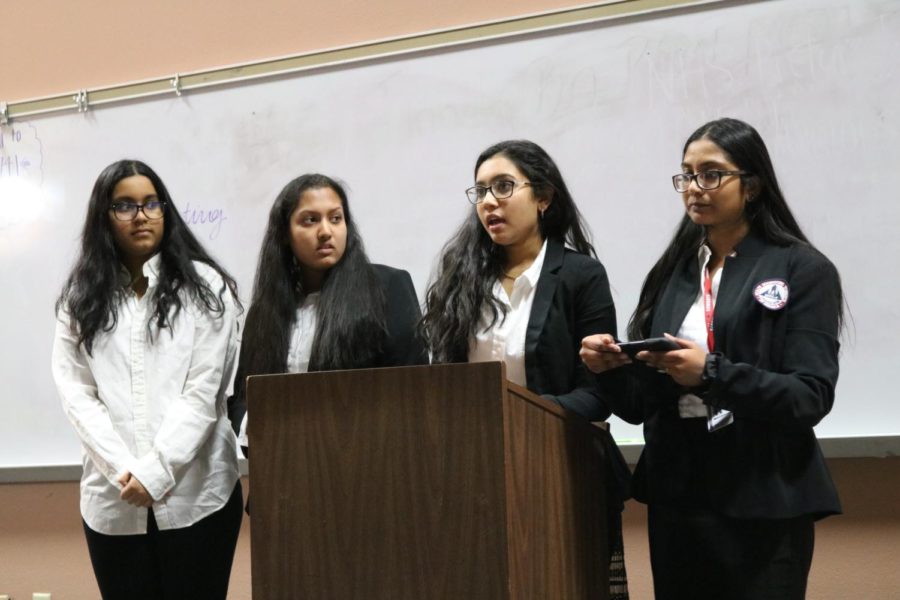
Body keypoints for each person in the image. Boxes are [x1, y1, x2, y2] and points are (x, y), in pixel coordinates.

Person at [581, 118, 844, 599]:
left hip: (763, 492)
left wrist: (712, 373)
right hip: (679, 494)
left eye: (711, 174)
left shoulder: (802, 268)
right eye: (686, 175)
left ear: (753, 185)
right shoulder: (674, 273)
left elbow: (810, 395)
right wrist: (613, 369)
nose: (694, 189)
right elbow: (642, 405)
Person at [421, 140, 629, 599]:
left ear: (543, 197)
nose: (490, 201)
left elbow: (598, 392)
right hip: (473, 478)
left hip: (561, 476)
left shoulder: (580, 277)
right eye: (481, 192)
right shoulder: (460, 281)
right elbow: (446, 385)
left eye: (503, 187)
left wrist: (518, 419)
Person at [52, 160, 243, 599]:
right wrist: (126, 472)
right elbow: (76, 394)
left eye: (151, 203)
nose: (141, 215)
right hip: (113, 504)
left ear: (165, 211)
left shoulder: (206, 288)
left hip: (200, 498)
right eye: (125, 205)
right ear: (104, 216)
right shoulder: (79, 299)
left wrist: (155, 473)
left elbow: (204, 392)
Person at [228, 173, 427, 450]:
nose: (325, 231)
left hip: (368, 466)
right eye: (310, 220)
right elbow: (242, 399)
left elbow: (413, 389)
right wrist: (258, 426)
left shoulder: (387, 287)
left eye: (335, 218)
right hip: (281, 470)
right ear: (285, 234)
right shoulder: (265, 311)